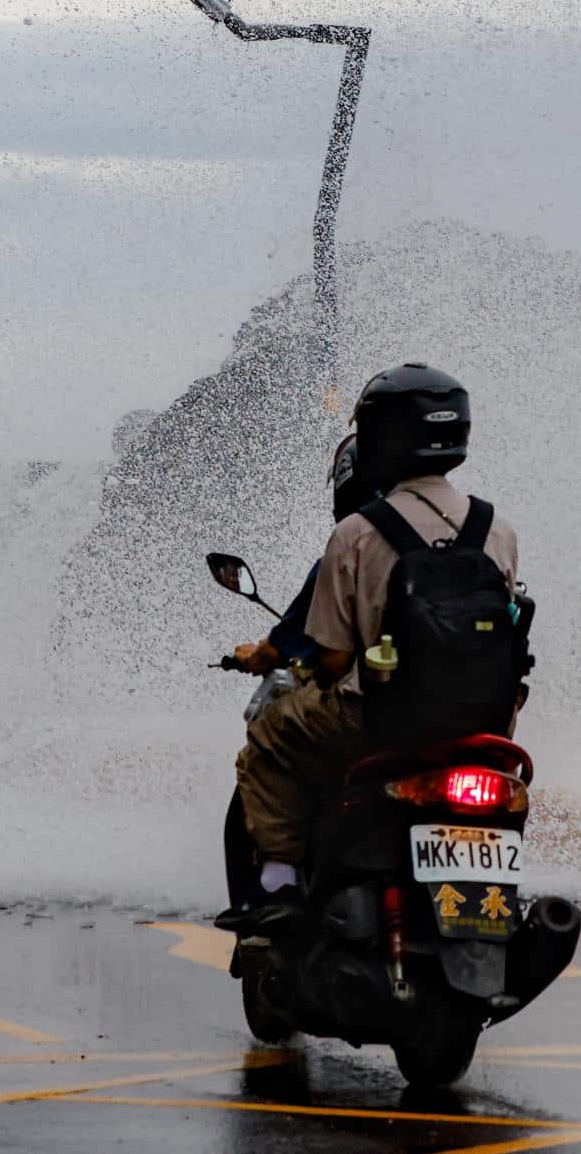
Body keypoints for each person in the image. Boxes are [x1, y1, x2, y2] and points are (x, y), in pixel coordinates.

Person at [217, 364, 520, 935]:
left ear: (381, 439)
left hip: (378, 719)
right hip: (486, 724)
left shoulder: (357, 533)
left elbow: (331, 659)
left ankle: (277, 884)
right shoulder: (496, 528)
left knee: (267, 739)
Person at [228, 434, 370, 676]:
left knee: (272, 710)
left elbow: (272, 653)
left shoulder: (345, 555)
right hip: (439, 696)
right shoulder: (441, 537)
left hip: (369, 701)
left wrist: (253, 656)